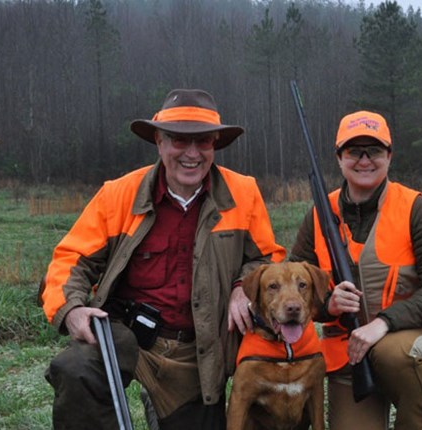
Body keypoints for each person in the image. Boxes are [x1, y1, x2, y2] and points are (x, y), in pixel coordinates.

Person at [38, 89, 285, 429]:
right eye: (179, 140)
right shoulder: (118, 194)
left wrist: (244, 286)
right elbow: (71, 258)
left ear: (215, 144)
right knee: (76, 369)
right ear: (159, 141)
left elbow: (268, 259)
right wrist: (72, 310)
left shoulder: (243, 193)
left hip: (195, 352)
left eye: (203, 141)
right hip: (123, 335)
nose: (192, 154)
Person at [290, 110, 422, 430]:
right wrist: (328, 304)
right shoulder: (319, 214)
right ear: (339, 158)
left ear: (389, 156)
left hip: (417, 332)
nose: (364, 160)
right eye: (354, 151)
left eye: (373, 150)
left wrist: (384, 322)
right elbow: (295, 288)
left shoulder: (413, 207)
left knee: (393, 354)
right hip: (350, 351)